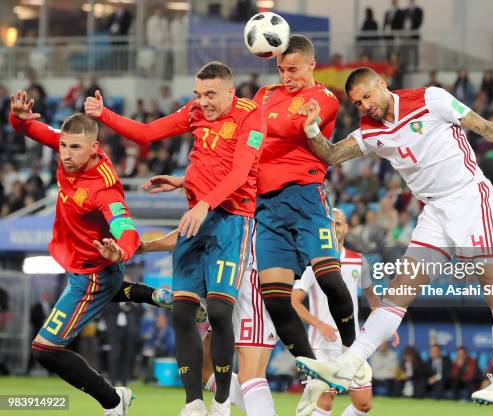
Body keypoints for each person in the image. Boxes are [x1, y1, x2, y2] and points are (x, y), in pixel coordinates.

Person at [294, 66, 493, 411]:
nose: (365, 106)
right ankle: (347, 364)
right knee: (399, 291)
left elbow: (488, 128)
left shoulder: (430, 99)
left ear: (382, 84)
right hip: (434, 213)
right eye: (357, 103)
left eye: (367, 96)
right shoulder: (370, 133)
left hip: (470, 199)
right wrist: (311, 126)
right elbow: (330, 154)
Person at [85, 61, 265, 416]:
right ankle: (193, 403)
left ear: (231, 91)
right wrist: (104, 114)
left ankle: (222, 400)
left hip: (232, 220)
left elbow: (240, 171)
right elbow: (148, 133)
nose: (203, 102)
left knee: (217, 309)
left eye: (210, 94)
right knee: (182, 311)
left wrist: (202, 203)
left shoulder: (250, 116)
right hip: (195, 216)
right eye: (198, 94)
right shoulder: (195, 112)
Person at [250, 35, 369, 414]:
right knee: (274, 298)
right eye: (282, 69)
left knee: (332, 280)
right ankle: (313, 368)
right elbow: (249, 139)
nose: (287, 77)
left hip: (306, 199)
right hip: (267, 206)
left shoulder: (324, 98)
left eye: (294, 69)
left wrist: (261, 120)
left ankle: (354, 355)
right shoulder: (264, 95)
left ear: (312, 65)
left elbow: (289, 127)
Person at [9, 90, 141, 416]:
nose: (65, 154)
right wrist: (17, 116)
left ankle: (113, 402)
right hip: (75, 262)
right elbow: (28, 129)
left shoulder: (103, 188)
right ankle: (158, 297)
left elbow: (127, 228)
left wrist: (120, 251)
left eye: (75, 148)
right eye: (63, 146)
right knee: (48, 346)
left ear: (94, 148)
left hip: (93, 273)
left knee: (45, 348)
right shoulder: (69, 148)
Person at [125, 228, 278, 416]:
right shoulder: (207, 208)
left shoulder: (246, 207)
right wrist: (147, 246)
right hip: (223, 286)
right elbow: (190, 229)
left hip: (249, 286)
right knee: (207, 371)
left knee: (250, 375)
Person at [292, 208, 398, 416]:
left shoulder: (358, 260)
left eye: (338, 224)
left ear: (346, 228)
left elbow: (372, 299)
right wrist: (319, 324)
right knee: (325, 399)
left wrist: (387, 326)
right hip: (321, 345)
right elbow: (293, 302)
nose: (335, 228)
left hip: (352, 344)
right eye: (331, 224)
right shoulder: (313, 262)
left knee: (364, 404)